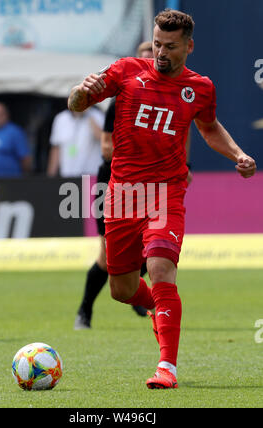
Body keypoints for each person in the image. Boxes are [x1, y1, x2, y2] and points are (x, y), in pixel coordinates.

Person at [68, 9, 256, 389]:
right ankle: (161, 305)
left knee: (160, 270)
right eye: (157, 44)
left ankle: (167, 367)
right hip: (122, 194)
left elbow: (209, 127)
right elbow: (77, 105)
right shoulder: (125, 71)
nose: (161, 52)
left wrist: (237, 154)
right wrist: (79, 91)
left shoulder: (200, 87)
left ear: (188, 46)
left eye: (169, 46)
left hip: (166, 193)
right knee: (121, 289)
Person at [74, 42, 154, 330]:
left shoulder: (166, 99)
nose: (148, 66)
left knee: (154, 249)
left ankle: (133, 290)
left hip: (150, 184)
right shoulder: (121, 98)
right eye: (142, 60)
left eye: (153, 59)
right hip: (113, 182)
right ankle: (84, 311)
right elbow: (107, 147)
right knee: (107, 258)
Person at [47, 107, 104, 177]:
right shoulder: (61, 118)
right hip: (68, 176)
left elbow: (103, 139)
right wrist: (51, 175)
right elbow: (56, 149)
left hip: (91, 176)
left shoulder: (97, 115)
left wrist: (88, 116)